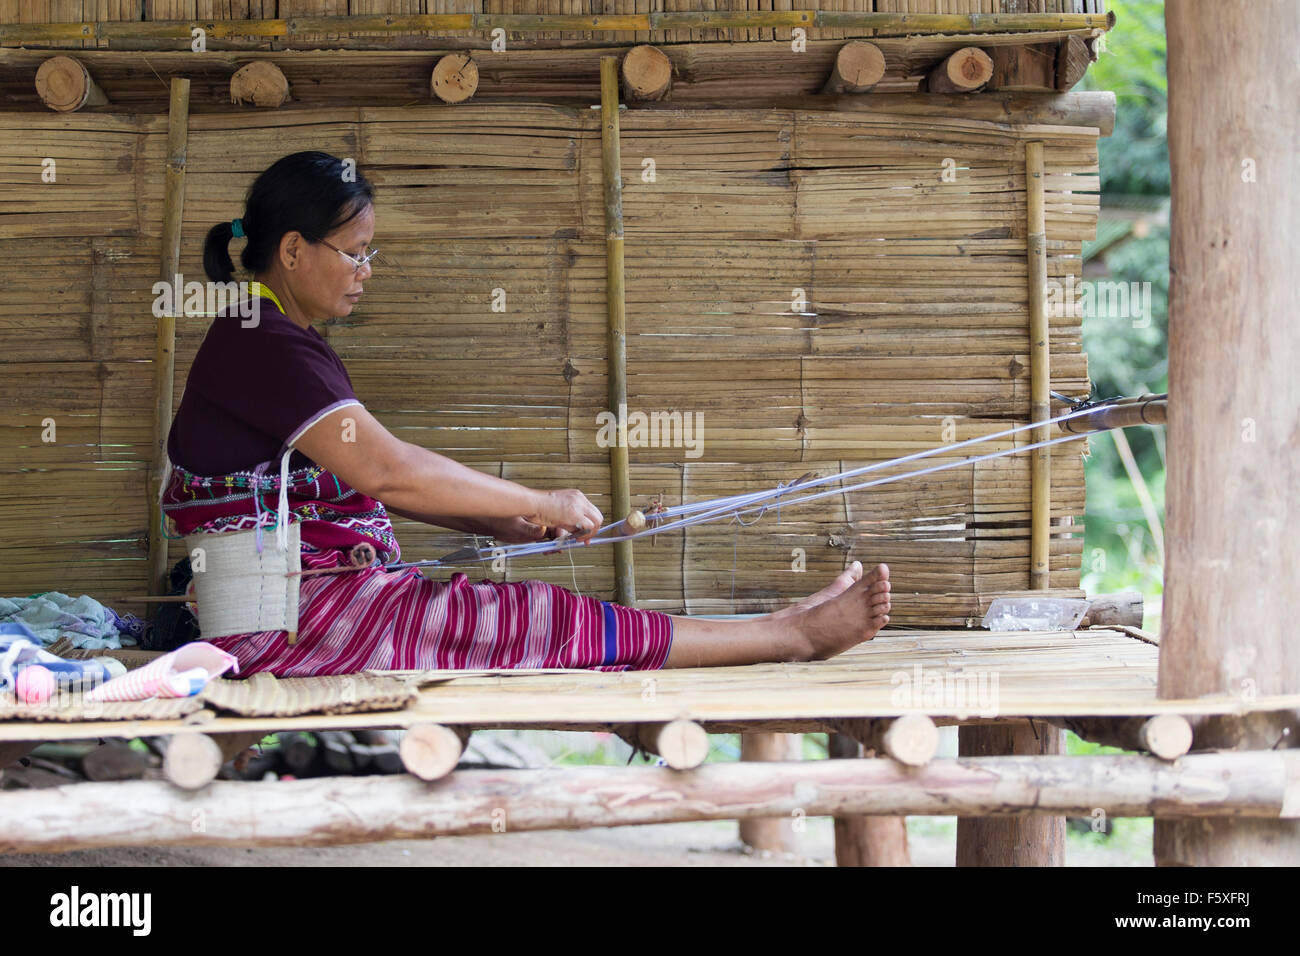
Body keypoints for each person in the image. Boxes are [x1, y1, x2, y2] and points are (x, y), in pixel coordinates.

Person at [162, 151, 891, 677]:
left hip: (307, 608)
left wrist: (491, 521)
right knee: (539, 619)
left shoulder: (267, 338)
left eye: (370, 252)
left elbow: (362, 480)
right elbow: (388, 470)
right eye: (354, 253)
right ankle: (787, 635)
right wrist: (540, 501)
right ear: (293, 250)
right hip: (290, 626)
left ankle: (783, 627)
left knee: (525, 613)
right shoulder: (261, 343)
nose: (368, 270)